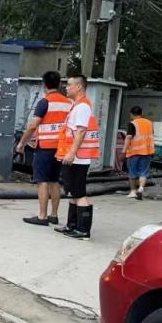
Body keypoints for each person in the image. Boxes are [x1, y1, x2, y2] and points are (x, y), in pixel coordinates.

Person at [16, 70, 72, 225]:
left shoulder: (44, 102)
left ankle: (42, 216)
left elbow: (33, 125)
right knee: (55, 181)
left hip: (45, 147)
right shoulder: (69, 103)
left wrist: (21, 143)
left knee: (43, 181)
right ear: (59, 84)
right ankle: (54, 215)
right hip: (61, 149)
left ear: (44, 85)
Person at [54, 75, 100, 240]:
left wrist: (71, 152)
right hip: (74, 156)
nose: (66, 87)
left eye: (69, 84)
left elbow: (80, 131)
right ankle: (72, 225)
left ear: (79, 87)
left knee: (79, 193)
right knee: (73, 192)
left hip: (77, 157)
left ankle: (82, 230)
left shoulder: (82, 107)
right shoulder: (78, 106)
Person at [123, 106, 155, 200]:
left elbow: (129, 137)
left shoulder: (133, 123)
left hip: (134, 152)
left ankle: (133, 191)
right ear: (141, 113)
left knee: (132, 172)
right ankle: (141, 188)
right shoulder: (149, 123)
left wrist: (124, 150)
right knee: (143, 172)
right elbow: (151, 135)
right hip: (147, 151)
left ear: (131, 114)